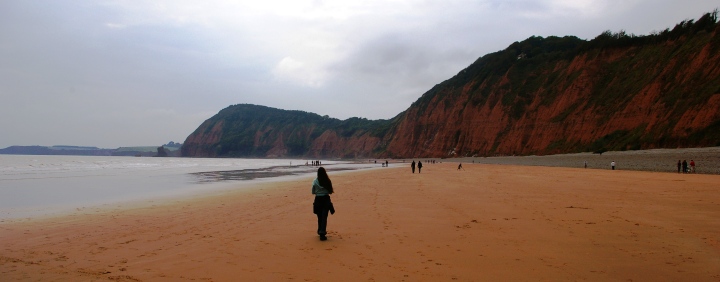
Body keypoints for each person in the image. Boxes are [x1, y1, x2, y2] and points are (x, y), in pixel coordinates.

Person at [312, 167, 335, 241]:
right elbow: (330, 191)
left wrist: (318, 192)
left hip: (318, 199)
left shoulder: (315, 181)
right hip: (326, 199)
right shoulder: (327, 181)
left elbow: (313, 192)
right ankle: (322, 232)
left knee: (319, 216)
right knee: (324, 217)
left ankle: (320, 230)